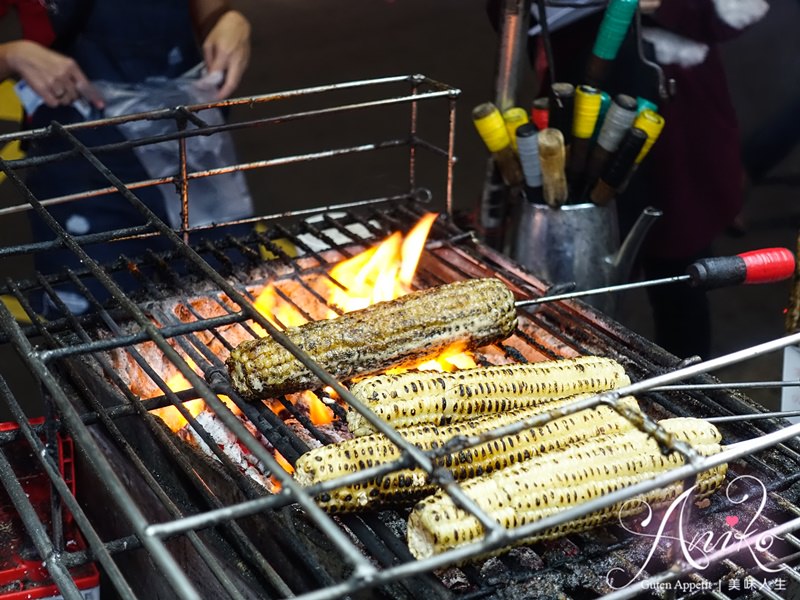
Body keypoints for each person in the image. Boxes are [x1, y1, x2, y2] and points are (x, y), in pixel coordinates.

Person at [0, 0, 253, 314]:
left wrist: (230, 20)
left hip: (186, 150)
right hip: (81, 169)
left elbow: (215, 11)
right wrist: (12, 55)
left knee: (230, 308)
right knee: (97, 329)